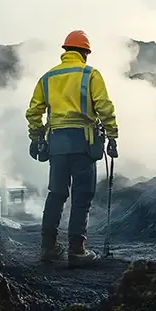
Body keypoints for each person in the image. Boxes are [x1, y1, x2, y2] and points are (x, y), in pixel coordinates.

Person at [25, 29, 119, 266]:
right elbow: (104, 107)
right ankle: (77, 251)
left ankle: (48, 248)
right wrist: (112, 136)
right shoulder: (90, 74)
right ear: (85, 52)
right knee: (81, 196)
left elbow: (34, 111)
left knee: (56, 194)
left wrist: (35, 136)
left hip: (56, 143)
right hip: (83, 143)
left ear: (66, 51)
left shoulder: (48, 77)